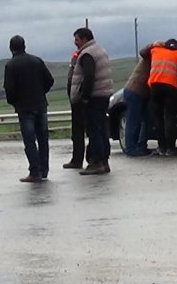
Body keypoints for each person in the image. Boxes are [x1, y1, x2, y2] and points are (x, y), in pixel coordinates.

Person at [3, 35, 55, 183]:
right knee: (43, 139)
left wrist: (14, 102)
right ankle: (44, 170)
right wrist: (40, 92)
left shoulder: (11, 65)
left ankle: (34, 171)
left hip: (24, 108)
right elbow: (49, 80)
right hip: (40, 104)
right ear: (24, 46)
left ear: (11, 48)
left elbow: (9, 89)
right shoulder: (37, 61)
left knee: (30, 141)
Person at [69, 28, 113, 175]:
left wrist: (85, 96)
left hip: (94, 97)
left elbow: (88, 76)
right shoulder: (100, 50)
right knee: (101, 129)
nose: (75, 43)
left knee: (94, 130)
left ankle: (97, 162)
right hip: (103, 95)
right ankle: (104, 161)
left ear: (84, 39)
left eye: (77, 39)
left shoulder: (87, 54)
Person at [147, 39, 177, 156]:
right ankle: (170, 148)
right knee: (169, 117)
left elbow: (143, 52)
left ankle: (161, 147)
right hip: (170, 86)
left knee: (157, 117)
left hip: (155, 86)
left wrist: (155, 43)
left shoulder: (155, 50)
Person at [123, 44, 155, 156]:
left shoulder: (158, 60)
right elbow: (142, 52)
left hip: (142, 93)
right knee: (133, 121)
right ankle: (131, 149)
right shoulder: (149, 56)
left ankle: (141, 146)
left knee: (147, 120)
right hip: (134, 91)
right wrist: (153, 45)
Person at [62, 49, 88, 169]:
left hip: (79, 100)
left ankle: (83, 159)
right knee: (77, 132)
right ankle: (77, 159)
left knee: (82, 131)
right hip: (76, 99)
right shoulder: (77, 62)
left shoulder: (83, 59)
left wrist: (81, 96)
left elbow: (76, 81)